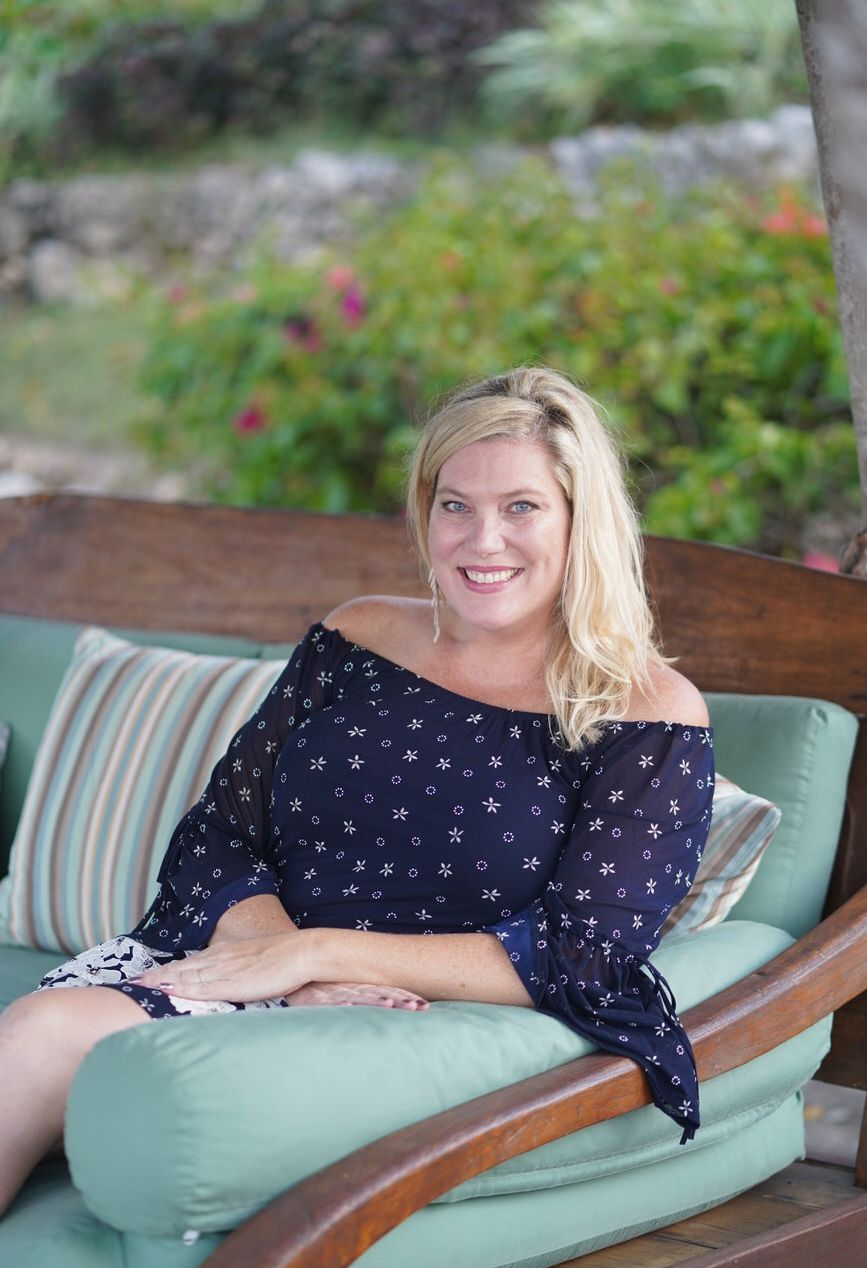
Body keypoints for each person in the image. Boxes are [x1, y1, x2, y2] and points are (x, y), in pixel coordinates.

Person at [0, 365, 713, 1221]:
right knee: (37, 1044)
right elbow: (218, 836)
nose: (482, 541)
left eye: (521, 507)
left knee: (44, 1039)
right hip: (245, 966)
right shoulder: (358, 635)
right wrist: (283, 963)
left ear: (579, 519)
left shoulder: (648, 714)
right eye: (455, 505)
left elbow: (581, 955)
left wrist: (320, 956)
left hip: (420, 1021)